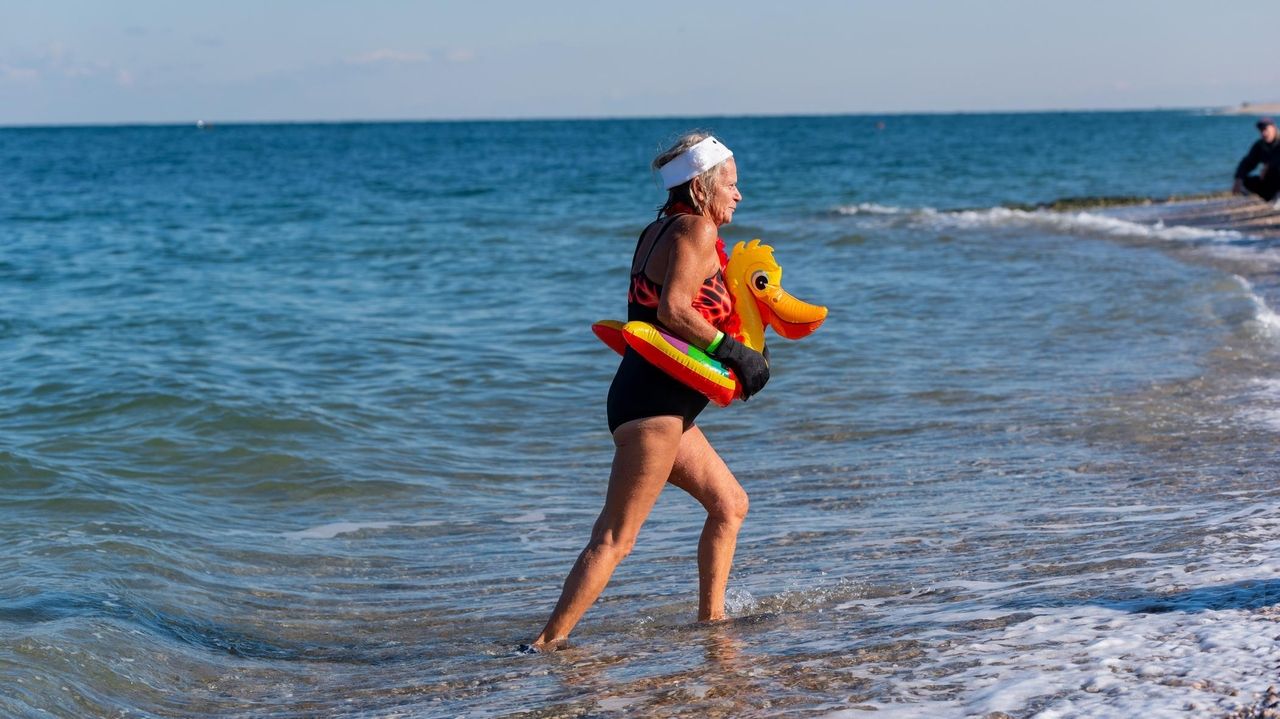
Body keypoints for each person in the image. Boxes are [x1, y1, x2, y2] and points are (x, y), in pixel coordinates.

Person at [525, 133, 770, 652]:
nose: (739, 194)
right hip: (654, 407)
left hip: (654, 401)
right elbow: (673, 311)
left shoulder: (659, 229)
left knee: (730, 504)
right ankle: (544, 645)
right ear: (702, 187)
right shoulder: (697, 229)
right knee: (616, 538)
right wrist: (736, 353)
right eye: (732, 182)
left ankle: (712, 625)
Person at [1233, 117, 1280, 201]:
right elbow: (1248, 162)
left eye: (1266, 129)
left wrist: (1269, 165)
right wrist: (1238, 178)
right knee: (1245, 181)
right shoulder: (1260, 145)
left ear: (1274, 128)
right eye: (1261, 130)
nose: (1264, 133)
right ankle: (1272, 198)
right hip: (1272, 181)